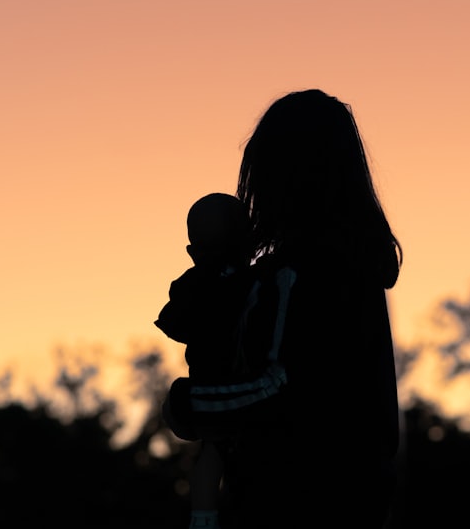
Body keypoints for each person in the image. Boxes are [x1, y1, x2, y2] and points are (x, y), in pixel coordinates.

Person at [164, 89, 403, 529]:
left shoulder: (312, 271)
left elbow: (287, 386)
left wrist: (190, 402)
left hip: (305, 505)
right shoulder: (344, 264)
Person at [155, 192, 255, 529]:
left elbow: (173, 322)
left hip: (217, 384)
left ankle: (204, 517)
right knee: (215, 452)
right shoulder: (244, 282)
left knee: (213, 454)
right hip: (221, 384)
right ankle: (204, 517)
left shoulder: (198, 284)